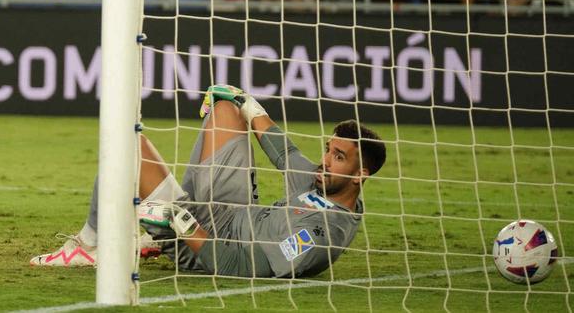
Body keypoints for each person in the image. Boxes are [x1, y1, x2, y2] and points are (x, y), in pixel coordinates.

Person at [31, 86, 385, 278]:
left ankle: (86, 247)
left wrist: (179, 221)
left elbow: (236, 267)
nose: (324, 161)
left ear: (361, 174)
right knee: (226, 109)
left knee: (126, 145)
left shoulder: (320, 237)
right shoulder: (320, 183)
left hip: (207, 244)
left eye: (338, 157)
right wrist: (245, 101)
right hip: (230, 211)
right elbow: (283, 150)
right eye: (327, 150)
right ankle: (135, 235)